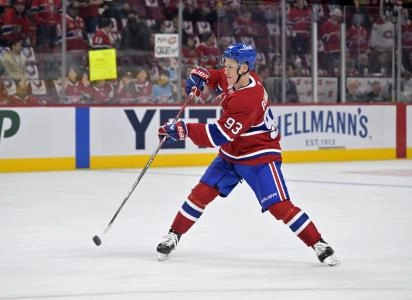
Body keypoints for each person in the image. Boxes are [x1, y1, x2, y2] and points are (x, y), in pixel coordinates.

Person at [156, 43, 340, 266]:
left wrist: (183, 130)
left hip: (259, 155)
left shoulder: (248, 97)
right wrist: (201, 76)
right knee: (200, 194)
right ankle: (174, 235)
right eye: (225, 65)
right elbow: (217, 77)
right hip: (233, 154)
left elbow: (219, 134)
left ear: (245, 67)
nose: (226, 70)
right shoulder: (236, 78)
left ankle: (319, 243)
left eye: (230, 66)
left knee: (280, 207)